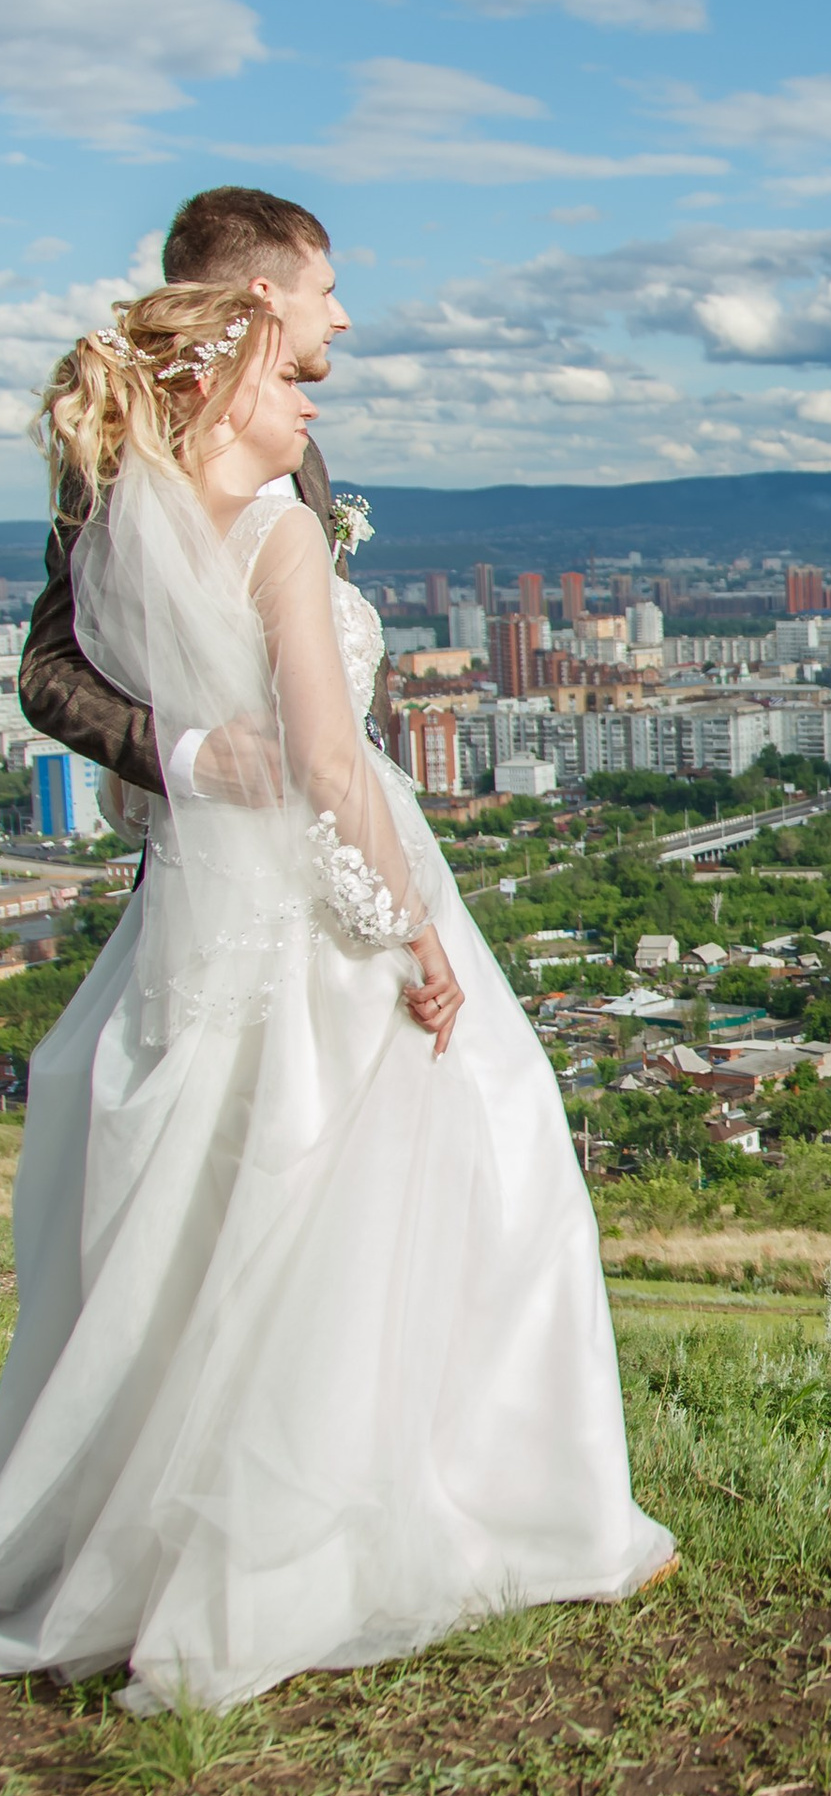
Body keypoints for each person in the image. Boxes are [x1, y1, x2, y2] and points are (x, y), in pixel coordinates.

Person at [0, 279, 672, 1714]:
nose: (318, 384)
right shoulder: (277, 526)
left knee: (215, 1211)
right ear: (221, 371)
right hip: (318, 891)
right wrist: (415, 934)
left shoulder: (130, 521)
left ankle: (160, 1545)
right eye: (292, 361)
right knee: (464, 1168)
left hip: (200, 914)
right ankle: (466, 1503)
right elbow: (323, 762)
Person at [22, 189, 351, 797]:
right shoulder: (127, 459)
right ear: (262, 297)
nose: (341, 317)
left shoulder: (303, 452)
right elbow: (49, 673)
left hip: (340, 805)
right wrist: (191, 759)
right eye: (326, 290)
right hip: (223, 842)